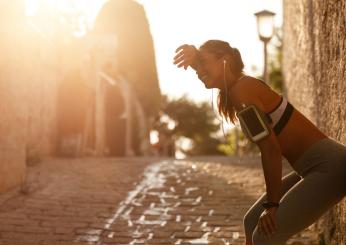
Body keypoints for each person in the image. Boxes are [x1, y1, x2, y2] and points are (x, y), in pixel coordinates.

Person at [173, 40, 346, 245]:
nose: (198, 71)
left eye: (203, 63)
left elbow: (271, 150)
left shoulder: (242, 90)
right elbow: (211, 69)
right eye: (197, 66)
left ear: (225, 60)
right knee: (251, 222)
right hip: (311, 168)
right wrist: (197, 60)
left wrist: (272, 205)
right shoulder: (239, 88)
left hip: (331, 166)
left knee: (264, 237)